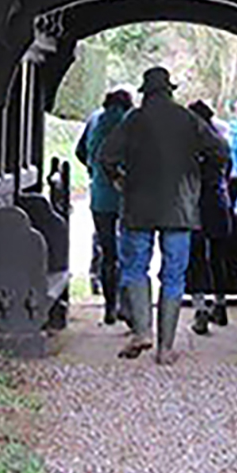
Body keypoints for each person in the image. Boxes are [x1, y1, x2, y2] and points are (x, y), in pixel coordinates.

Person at [100, 66, 227, 364]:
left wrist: (119, 179)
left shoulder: (134, 120)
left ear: (146, 92)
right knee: (174, 275)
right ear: (170, 90)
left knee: (135, 268)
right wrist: (196, 175)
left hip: (138, 206)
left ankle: (142, 331)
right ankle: (165, 348)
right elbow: (220, 152)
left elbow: (106, 156)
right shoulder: (188, 119)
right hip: (180, 208)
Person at [75, 89, 134, 325]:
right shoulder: (129, 122)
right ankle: (126, 304)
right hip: (127, 196)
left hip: (100, 196)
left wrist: (93, 171)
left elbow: (79, 151)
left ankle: (109, 307)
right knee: (130, 251)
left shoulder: (95, 119)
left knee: (108, 252)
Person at [187, 100, 233, 336]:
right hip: (219, 203)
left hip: (195, 206)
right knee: (218, 257)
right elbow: (228, 175)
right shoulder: (221, 144)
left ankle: (200, 308)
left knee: (196, 258)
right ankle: (221, 304)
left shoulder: (188, 146)